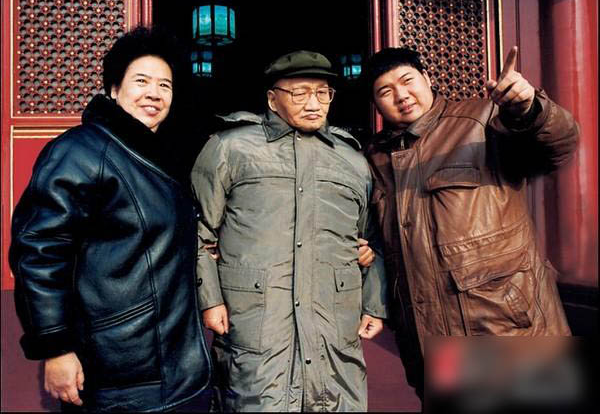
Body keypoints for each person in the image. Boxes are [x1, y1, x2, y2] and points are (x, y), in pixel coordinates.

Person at [9, 26, 211, 412]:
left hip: (172, 365)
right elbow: (39, 252)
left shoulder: (161, 159)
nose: (154, 93)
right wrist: (55, 347)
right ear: (114, 89)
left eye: (165, 85)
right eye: (141, 81)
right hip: (116, 370)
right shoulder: (80, 152)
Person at [361, 46, 580, 403]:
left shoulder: (481, 120)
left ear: (427, 78)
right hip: (430, 340)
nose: (401, 96)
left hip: (504, 326)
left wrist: (528, 109)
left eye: (407, 80)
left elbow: (556, 146)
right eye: (386, 91)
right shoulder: (375, 157)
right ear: (376, 104)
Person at [191, 50, 388, 412]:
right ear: (272, 99)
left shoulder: (352, 161)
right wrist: (211, 300)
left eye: (323, 93)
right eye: (299, 93)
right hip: (257, 324)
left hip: (332, 326)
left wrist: (374, 303)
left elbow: (371, 242)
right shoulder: (230, 148)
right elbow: (199, 232)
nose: (313, 104)